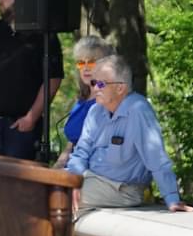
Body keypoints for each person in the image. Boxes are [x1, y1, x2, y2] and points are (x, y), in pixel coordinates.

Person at [65, 55, 193, 212]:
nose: (95, 88)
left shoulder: (138, 110)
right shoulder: (95, 111)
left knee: (53, 195)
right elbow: (81, 152)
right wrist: (72, 180)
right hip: (90, 179)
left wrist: (172, 199)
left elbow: (156, 158)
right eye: (93, 82)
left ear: (120, 88)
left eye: (101, 83)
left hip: (122, 189)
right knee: (38, 185)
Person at [0, 0, 63, 160]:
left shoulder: (43, 36)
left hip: (20, 128)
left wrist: (31, 117)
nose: (0, 1)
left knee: (16, 185)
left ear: (20, 2)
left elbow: (53, 79)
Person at [54, 35, 115, 168]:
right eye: (81, 62)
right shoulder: (82, 100)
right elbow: (72, 142)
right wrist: (58, 165)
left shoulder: (109, 101)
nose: (86, 67)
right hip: (72, 170)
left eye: (92, 62)